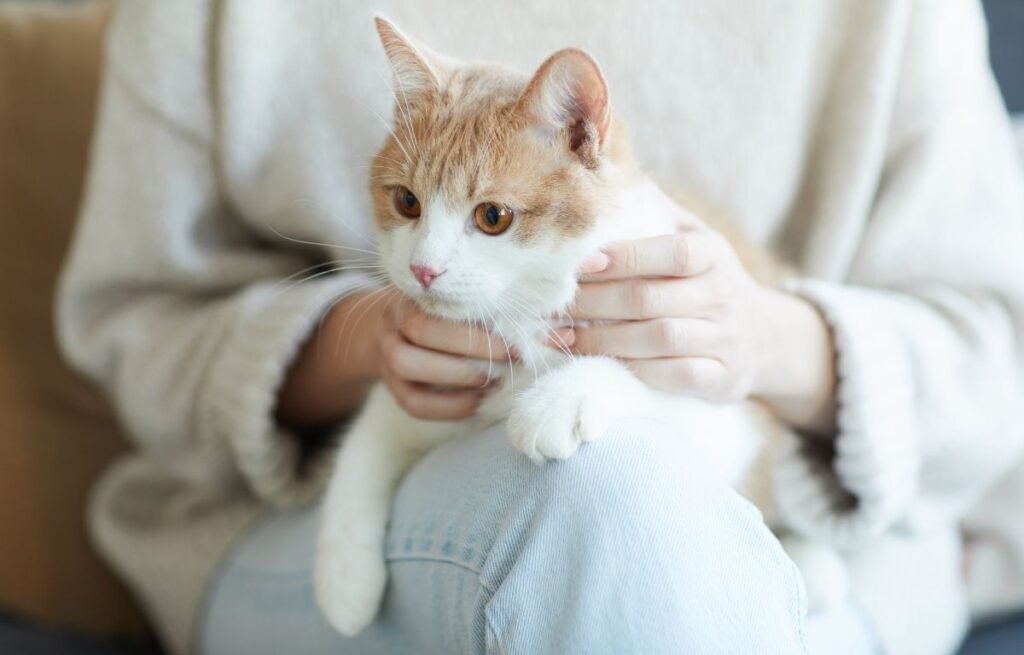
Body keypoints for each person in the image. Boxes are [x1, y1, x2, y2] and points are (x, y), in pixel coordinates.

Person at [56, 1, 1024, 654]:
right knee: (604, 496)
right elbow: (132, 322)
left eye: (486, 217)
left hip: (816, 533)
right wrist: (351, 345)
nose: (428, 257)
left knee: (622, 498)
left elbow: (996, 357)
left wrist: (772, 344)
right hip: (295, 526)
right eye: (406, 207)